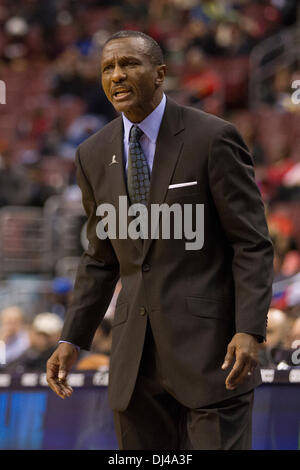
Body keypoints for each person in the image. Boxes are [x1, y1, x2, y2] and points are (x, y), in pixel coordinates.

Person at [46, 30, 274, 450]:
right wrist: (71, 337)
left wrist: (250, 329)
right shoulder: (92, 154)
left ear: (160, 74)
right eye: (107, 68)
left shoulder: (213, 137)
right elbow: (100, 258)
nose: (117, 75)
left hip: (212, 354)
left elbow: (251, 243)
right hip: (134, 363)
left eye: (129, 64)